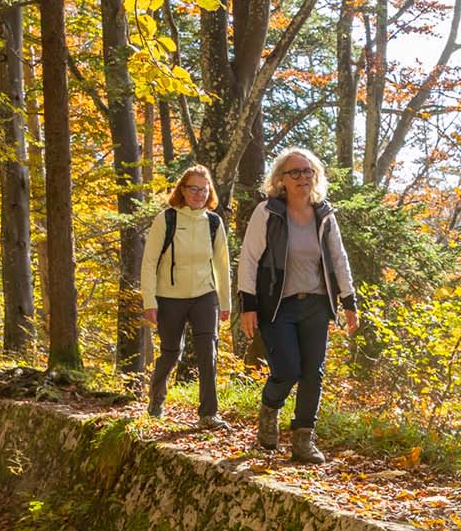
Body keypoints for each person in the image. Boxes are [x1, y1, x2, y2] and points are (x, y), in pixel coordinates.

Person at [237, 147, 358, 463]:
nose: (302, 177)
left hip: (316, 304)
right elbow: (249, 259)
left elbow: (339, 258)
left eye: (307, 171)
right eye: (295, 172)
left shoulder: (324, 214)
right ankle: (269, 409)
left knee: (312, 373)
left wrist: (349, 300)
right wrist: (248, 305)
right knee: (287, 369)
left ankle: (303, 439)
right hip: (278, 305)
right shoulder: (268, 212)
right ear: (281, 179)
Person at [140, 164, 232, 429]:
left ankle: (208, 414)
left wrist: (225, 302)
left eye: (204, 189)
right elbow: (149, 262)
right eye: (194, 188)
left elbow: (222, 264)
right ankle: (156, 399)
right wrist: (149, 300)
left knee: (208, 352)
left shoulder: (213, 222)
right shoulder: (166, 219)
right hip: (169, 297)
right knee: (171, 352)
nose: (199, 194)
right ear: (182, 190)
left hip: (204, 295)